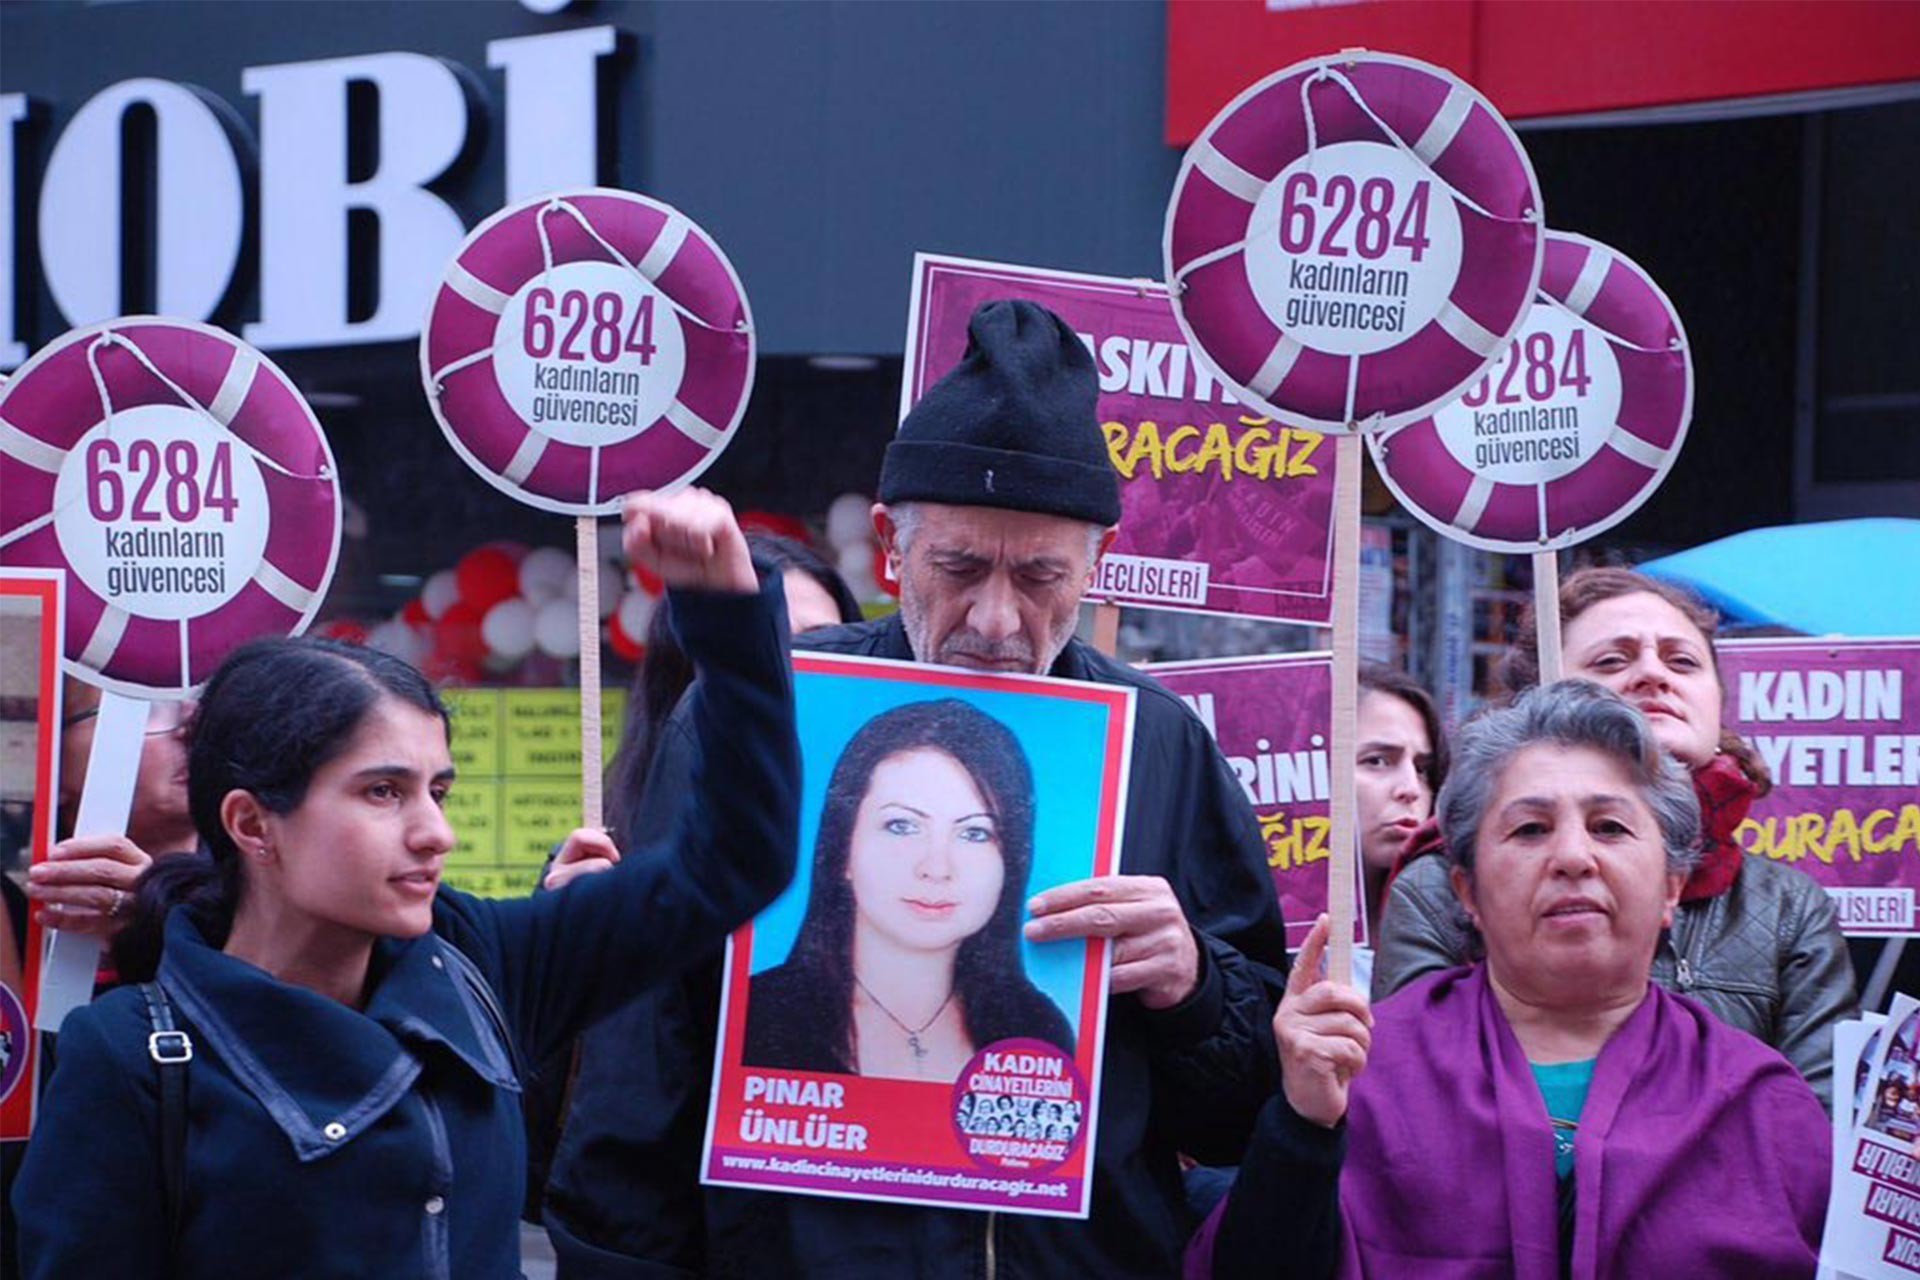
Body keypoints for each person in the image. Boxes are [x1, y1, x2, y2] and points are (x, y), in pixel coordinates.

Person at [542, 299, 1288, 1279]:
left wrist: (1194, 987)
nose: (997, 617)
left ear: (1098, 563)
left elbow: (1247, 1113)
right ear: (893, 541)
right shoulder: (770, 709)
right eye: (961, 565)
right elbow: (645, 1049)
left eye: (1041, 577)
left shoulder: (1161, 744)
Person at [11, 489, 801, 1279]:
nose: (436, 833)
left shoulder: (479, 965)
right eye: (382, 792)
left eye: (440, 791)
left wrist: (726, 612)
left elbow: (736, 858)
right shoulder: (133, 1058)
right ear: (252, 824)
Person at [1190, 682, 1831, 1279]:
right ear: (1466, 890)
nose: (1574, 858)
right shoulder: (1366, 1066)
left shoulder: (1760, 1102)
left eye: (1610, 827)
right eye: (1530, 829)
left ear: (1671, 887)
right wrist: (1303, 1127)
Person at [1373, 566, 1857, 1108]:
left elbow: (1820, 1124)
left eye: (1682, 661)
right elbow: (1414, 1108)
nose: (1653, 675)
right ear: (1543, 696)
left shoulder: (1788, 908)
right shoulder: (1442, 887)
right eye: (1612, 660)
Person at [744, 699, 1073, 1080]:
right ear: (842, 849)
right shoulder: (754, 1017)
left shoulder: (1037, 1031)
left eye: (974, 833)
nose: (936, 868)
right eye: (902, 826)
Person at [1350, 663, 1446, 988]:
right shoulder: (1258, 934)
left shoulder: (1466, 921)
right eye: (1377, 760)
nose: (1411, 789)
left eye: (1422, 768)